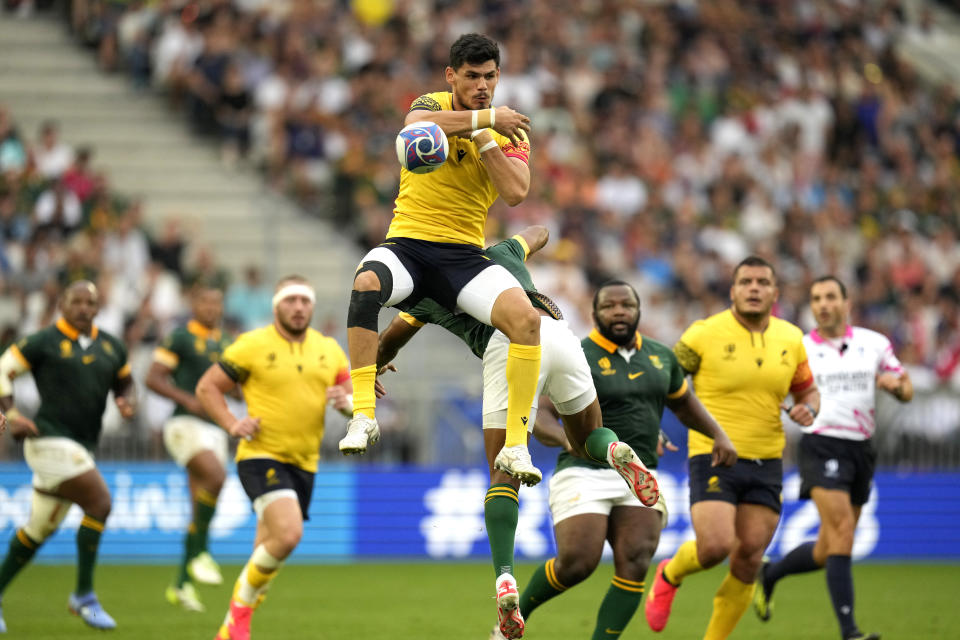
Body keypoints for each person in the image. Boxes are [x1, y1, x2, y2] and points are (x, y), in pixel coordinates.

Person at [376, 229, 661, 640]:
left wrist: (374, 369)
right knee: (587, 440)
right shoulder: (500, 253)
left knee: (502, 472)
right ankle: (616, 449)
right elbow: (539, 233)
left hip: (509, 344)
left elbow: (388, 342)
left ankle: (505, 580)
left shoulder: (424, 293)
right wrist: (522, 243)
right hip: (559, 333)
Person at [342, 33, 545, 491]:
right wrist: (486, 118)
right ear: (451, 76)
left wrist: (485, 136)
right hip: (409, 246)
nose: (482, 85)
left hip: (462, 258)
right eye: (472, 76)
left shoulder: (507, 131)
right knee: (367, 282)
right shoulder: (434, 103)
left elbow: (515, 193)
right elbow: (413, 126)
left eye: (490, 76)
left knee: (527, 321)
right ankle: (363, 416)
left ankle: (516, 444)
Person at [509, 281, 738, 640]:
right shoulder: (576, 354)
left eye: (627, 305)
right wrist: (567, 440)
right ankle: (513, 618)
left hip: (639, 473)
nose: (619, 311)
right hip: (585, 468)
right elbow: (540, 414)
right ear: (594, 314)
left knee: (635, 562)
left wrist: (719, 435)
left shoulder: (661, 356)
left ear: (638, 311)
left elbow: (684, 404)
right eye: (610, 306)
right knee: (578, 562)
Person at [644, 255, 820, 640]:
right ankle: (670, 573)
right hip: (713, 454)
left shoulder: (791, 338)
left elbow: (807, 390)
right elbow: (665, 381)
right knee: (715, 546)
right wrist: (651, 426)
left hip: (768, 459)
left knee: (749, 557)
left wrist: (808, 408)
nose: (754, 288)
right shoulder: (704, 334)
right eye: (746, 281)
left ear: (775, 292)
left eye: (762, 282)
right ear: (733, 290)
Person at [753, 276, 913, 640]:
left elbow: (906, 386)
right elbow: (775, 391)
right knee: (842, 533)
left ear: (846, 302)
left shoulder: (874, 344)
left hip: (861, 448)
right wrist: (791, 411)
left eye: (829, 297)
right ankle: (850, 633)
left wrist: (897, 387)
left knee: (830, 547)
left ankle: (771, 573)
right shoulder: (800, 348)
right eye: (816, 299)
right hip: (821, 444)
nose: (822, 304)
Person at [196, 275, 352, 640]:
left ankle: (227, 631)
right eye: (291, 300)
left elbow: (353, 400)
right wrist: (232, 423)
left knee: (267, 554)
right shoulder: (251, 345)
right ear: (276, 305)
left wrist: (347, 407)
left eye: (305, 301)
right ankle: (238, 621)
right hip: (261, 455)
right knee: (289, 534)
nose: (298, 308)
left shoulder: (329, 349)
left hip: (305, 462)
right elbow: (207, 387)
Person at [0, 280, 136, 632]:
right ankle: (84, 596)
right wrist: (12, 416)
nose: (83, 308)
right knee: (100, 503)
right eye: (76, 301)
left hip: (82, 444)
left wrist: (126, 399)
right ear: (62, 304)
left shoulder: (112, 346)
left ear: (98, 307)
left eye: (90, 303)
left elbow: (125, 381)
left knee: (38, 529)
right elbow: (3, 369)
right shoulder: (43, 341)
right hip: (48, 441)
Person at [146, 284, 232, 612]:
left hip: (215, 429)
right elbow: (153, 377)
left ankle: (181, 584)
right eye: (206, 301)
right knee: (217, 477)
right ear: (194, 303)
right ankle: (202, 554)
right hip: (184, 424)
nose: (212, 307)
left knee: (199, 506)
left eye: (216, 301)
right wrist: (187, 399)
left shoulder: (226, 342)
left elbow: (233, 388)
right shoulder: (180, 337)